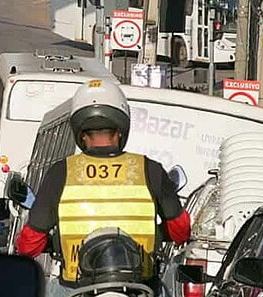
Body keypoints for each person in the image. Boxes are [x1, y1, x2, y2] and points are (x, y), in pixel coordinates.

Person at [14, 79, 191, 297]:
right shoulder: (149, 169)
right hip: (141, 287)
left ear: (81, 134)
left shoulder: (61, 172)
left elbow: (30, 243)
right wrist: (157, 234)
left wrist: (51, 243)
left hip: (75, 288)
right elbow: (181, 231)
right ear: (120, 130)